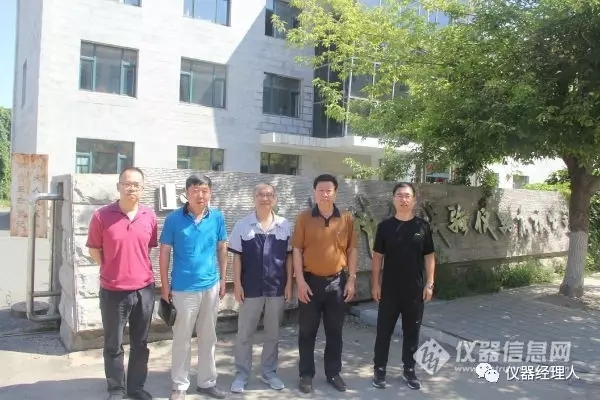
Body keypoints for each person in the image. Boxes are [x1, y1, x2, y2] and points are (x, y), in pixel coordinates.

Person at [86, 167, 158, 400]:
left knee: (141, 343)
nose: (131, 188)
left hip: (144, 290)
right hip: (113, 291)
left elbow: (146, 248)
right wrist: (112, 268)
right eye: (127, 184)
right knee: (113, 343)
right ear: (118, 186)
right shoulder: (101, 216)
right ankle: (116, 389)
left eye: (136, 185)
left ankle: (136, 388)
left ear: (142, 189)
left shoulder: (149, 216)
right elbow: (94, 250)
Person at [158, 174, 228, 400]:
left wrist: (223, 280)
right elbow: (164, 253)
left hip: (210, 286)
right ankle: (180, 385)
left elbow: (222, 248)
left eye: (205, 190)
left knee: (209, 337)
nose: (200, 195)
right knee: (182, 338)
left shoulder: (217, 217)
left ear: (210, 193)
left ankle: (207, 382)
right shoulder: (173, 219)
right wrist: (165, 286)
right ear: (186, 194)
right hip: (183, 288)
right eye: (195, 190)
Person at [292, 173, 358, 394]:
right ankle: (306, 374)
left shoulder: (346, 218)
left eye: (329, 190)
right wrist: (300, 281)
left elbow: (352, 250)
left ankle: (333, 373)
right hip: (310, 282)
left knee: (335, 331)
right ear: (314, 192)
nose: (325, 194)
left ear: (335, 193)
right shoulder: (304, 218)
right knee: (307, 331)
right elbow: (297, 250)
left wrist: (351, 279)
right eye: (321, 190)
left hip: (337, 282)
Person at [228, 183, 293, 393]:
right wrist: (237, 284)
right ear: (253, 198)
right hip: (250, 287)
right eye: (260, 194)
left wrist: (289, 284)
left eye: (269, 195)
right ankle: (241, 375)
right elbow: (237, 257)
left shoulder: (285, 225)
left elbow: (289, 257)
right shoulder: (243, 225)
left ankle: (269, 373)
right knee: (244, 333)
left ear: (275, 198)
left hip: (277, 288)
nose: (265, 198)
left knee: (273, 333)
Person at [370, 182, 436, 390]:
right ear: (393, 199)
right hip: (389, 289)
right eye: (399, 195)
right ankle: (380, 369)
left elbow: (429, 256)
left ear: (414, 200)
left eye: (407, 195)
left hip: (415, 289)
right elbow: (377, 257)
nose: (403, 199)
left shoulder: (423, 227)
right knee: (383, 331)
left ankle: (409, 370)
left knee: (412, 332)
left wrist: (430, 283)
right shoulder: (385, 227)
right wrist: (375, 284)